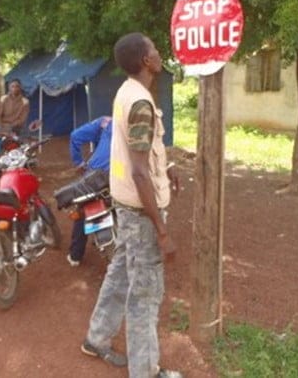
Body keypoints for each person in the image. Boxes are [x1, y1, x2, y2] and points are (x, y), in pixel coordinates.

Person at [80, 33, 182, 378]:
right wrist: (162, 230)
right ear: (145, 61)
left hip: (127, 207)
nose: (158, 53)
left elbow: (139, 154)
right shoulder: (140, 103)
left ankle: (96, 338)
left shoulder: (127, 92)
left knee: (120, 274)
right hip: (140, 215)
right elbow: (139, 172)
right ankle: (146, 371)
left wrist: (165, 169)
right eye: (153, 49)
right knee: (145, 294)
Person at [66, 116, 112, 267]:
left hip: (95, 174)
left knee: (83, 208)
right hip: (120, 176)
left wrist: (79, 163)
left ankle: (75, 255)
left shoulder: (104, 123)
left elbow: (75, 136)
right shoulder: (135, 129)